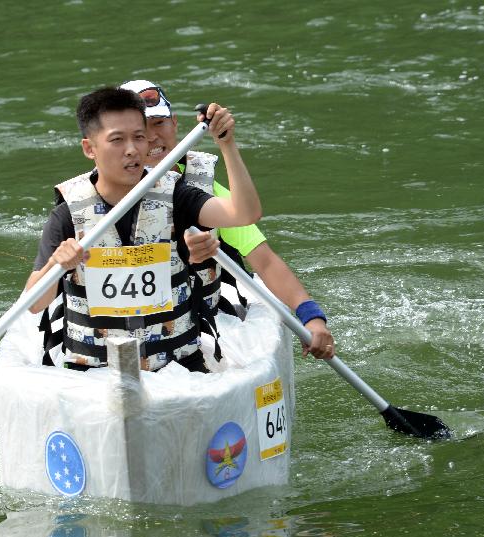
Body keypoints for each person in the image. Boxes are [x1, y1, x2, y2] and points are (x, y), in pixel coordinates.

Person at [26, 86, 262, 373]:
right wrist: (56, 263)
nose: (132, 149)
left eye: (139, 137)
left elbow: (245, 213)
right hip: (92, 375)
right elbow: (35, 304)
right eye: (117, 140)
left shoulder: (177, 195)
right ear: (90, 148)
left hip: (178, 367)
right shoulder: (67, 214)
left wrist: (227, 144)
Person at [119, 80, 336, 360]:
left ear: (174, 124)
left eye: (158, 123)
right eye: (139, 132)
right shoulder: (96, 198)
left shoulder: (204, 194)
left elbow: (264, 260)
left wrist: (311, 315)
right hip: (127, 324)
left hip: (197, 317)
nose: (151, 138)